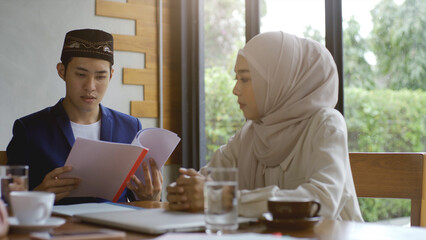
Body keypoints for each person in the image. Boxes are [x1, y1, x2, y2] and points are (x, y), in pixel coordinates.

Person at [167, 31, 363, 221]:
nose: (235, 90)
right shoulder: (251, 133)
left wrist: (227, 199)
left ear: (278, 80)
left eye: (244, 79)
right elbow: (204, 183)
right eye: (237, 79)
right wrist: (185, 191)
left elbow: (323, 202)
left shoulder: (326, 124)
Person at [6, 29, 162, 204]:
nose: (90, 86)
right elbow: (8, 203)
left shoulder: (130, 127)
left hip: (117, 228)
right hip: (58, 228)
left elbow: (138, 198)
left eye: (100, 76)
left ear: (110, 75)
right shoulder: (30, 130)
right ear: (61, 71)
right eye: (80, 75)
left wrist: (152, 197)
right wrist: (39, 194)